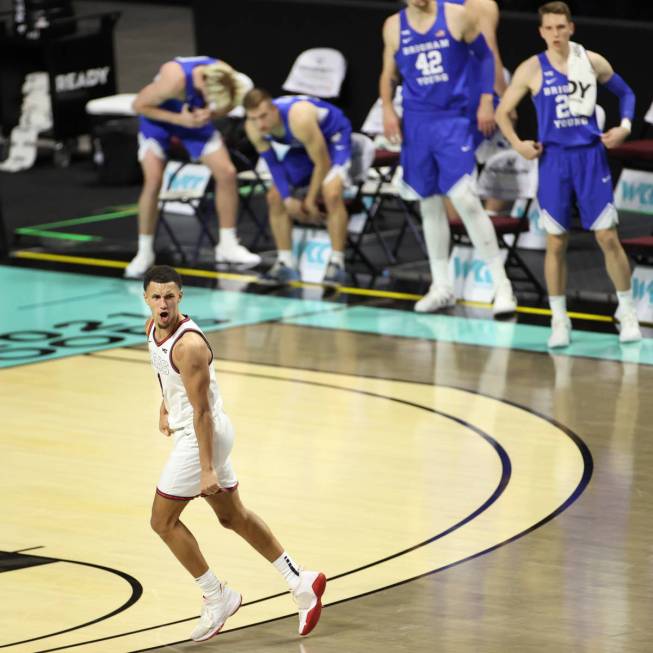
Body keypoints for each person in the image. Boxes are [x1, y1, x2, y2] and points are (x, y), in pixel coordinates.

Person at [142, 265, 326, 642]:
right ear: (146, 298)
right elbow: (168, 377)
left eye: (170, 296)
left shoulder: (188, 345)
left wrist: (207, 469)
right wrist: (165, 405)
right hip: (198, 430)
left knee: (162, 522)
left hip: (201, 437)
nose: (163, 303)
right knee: (233, 517)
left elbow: (203, 411)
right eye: (157, 296)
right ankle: (300, 580)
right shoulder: (152, 329)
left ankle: (217, 596)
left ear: (181, 297)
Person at [495, 1, 641, 347]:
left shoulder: (591, 61)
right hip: (554, 161)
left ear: (571, 28)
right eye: (550, 28)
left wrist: (624, 126)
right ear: (541, 31)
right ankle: (559, 319)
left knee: (607, 236)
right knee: (556, 242)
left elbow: (626, 93)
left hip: (590, 158)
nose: (556, 34)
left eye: (562, 27)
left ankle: (627, 311)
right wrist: (517, 143)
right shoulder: (531, 69)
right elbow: (503, 112)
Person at [380, 0, 517, 316]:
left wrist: (487, 100)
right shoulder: (393, 26)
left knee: (464, 198)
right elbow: (388, 74)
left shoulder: (457, 15)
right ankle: (442, 286)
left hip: (452, 118)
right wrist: (387, 107)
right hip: (416, 122)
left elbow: (485, 57)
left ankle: (502, 286)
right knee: (428, 202)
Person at [124, 56, 261, 278]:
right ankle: (144, 251)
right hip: (160, 120)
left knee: (227, 173)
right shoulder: (174, 79)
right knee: (153, 180)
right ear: (204, 84)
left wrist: (210, 114)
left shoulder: (228, 78)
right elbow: (138, 105)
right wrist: (179, 120)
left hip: (194, 122)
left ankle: (227, 245)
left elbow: (226, 106)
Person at [243, 88, 352, 288]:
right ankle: (285, 263)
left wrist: (309, 200)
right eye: (254, 118)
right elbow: (274, 164)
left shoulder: (299, 117)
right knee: (274, 197)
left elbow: (323, 163)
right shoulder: (253, 128)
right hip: (301, 147)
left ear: (274, 110)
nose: (261, 124)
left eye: (264, 116)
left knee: (331, 192)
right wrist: (287, 199)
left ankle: (337, 263)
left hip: (332, 140)